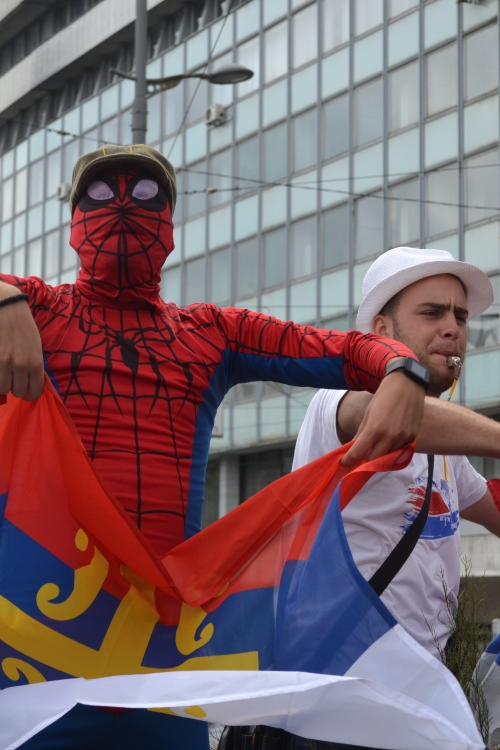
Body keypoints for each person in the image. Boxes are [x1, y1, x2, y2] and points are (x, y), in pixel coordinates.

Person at [0, 146, 428, 750]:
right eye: (100, 193)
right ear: (73, 222)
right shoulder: (34, 309)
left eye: (144, 194)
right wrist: (5, 295)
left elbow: (340, 348)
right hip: (35, 646)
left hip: (163, 652)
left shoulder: (209, 333)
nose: (121, 205)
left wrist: (404, 368)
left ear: (170, 225)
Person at [293, 246, 500, 661]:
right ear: (381, 330)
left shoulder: (446, 446)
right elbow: (380, 410)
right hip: (346, 679)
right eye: (432, 313)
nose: (453, 329)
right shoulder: (338, 396)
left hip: (425, 682)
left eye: (460, 317)